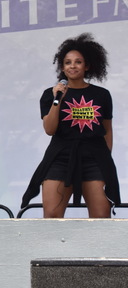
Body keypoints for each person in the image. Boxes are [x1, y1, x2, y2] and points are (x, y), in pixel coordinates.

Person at [21, 33, 120, 218]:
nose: (72, 66)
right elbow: (49, 129)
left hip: (94, 158)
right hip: (61, 157)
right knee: (51, 215)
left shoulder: (102, 95)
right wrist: (58, 100)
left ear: (87, 65)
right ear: (62, 67)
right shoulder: (51, 94)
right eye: (67, 62)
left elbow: (107, 129)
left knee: (101, 218)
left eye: (78, 62)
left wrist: (105, 159)